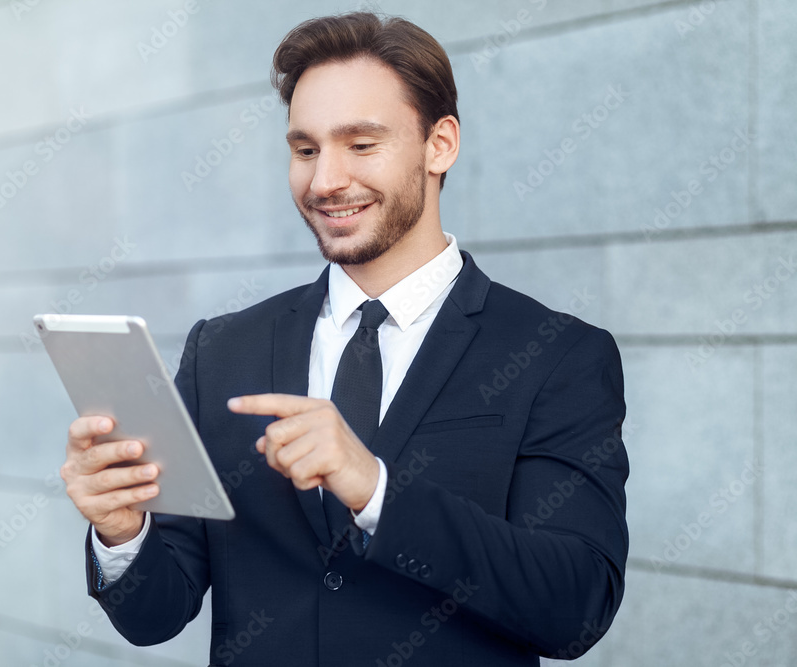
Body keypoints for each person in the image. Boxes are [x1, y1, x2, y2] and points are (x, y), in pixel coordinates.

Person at [60, 11, 629, 666]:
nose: (325, 180)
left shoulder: (556, 354)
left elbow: (574, 607)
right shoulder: (223, 350)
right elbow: (157, 614)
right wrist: (121, 531)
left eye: (361, 145)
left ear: (439, 144)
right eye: (306, 149)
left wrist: (375, 489)